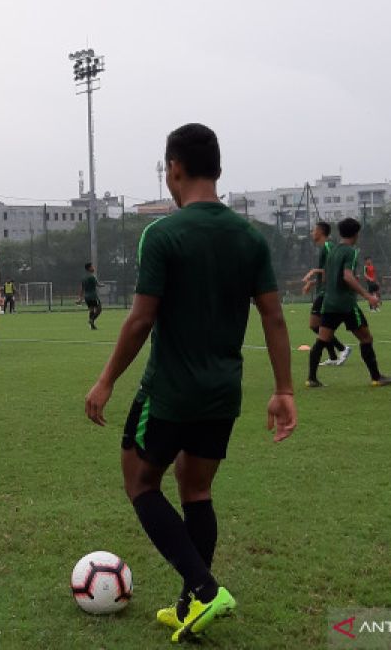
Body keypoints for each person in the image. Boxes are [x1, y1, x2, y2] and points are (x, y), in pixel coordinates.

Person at [84, 123, 297, 643]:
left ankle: (203, 588)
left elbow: (140, 320)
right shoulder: (250, 238)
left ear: (173, 168)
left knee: (140, 482)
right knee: (196, 489)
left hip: (171, 391)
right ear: (218, 169)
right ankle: (189, 607)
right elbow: (273, 318)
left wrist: (106, 379)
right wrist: (284, 389)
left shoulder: (163, 234)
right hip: (223, 392)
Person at [307, 218, 391, 389]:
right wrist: (368, 296)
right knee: (366, 338)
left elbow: (329, 275)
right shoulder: (351, 252)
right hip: (346, 304)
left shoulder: (333, 251)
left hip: (329, 303)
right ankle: (377, 377)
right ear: (356, 234)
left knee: (322, 339)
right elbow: (347, 276)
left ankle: (311, 379)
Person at [300, 222, 349, 367]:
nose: (311, 233)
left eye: (313, 230)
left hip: (327, 293)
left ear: (321, 231)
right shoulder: (324, 248)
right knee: (321, 326)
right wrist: (313, 282)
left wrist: (314, 271)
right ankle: (333, 357)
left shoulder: (328, 246)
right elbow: (327, 274)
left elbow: (334, 269)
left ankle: (342, 348)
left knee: (315, 325)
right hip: (324, 290)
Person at [78, 263, 103, 330]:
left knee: (91, 310)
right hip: (93, 296)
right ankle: (91, 320)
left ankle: (92, 326)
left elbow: (81, 289)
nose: (93, 268)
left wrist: (80, 298)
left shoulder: (84, 278)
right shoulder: (92, 277)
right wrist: (103, 285)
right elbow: (98, 284)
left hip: (87, 297)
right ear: (89, 268)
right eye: (92, 267)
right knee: (99, 309)